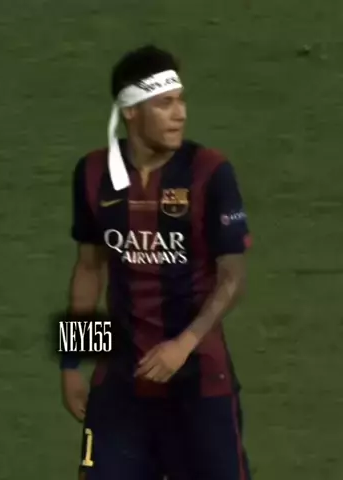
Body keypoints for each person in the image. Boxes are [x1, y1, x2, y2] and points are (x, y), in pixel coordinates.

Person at [60, 44, 253, 480]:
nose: (180, 114)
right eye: (165, 104)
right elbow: (89, 268)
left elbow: (233, 278)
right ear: (131, 111)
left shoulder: (210, 172)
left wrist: (183, 345)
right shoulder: (92, 173)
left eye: (181, 101)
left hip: (201, 384)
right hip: (121, 386)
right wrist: (72, 365)